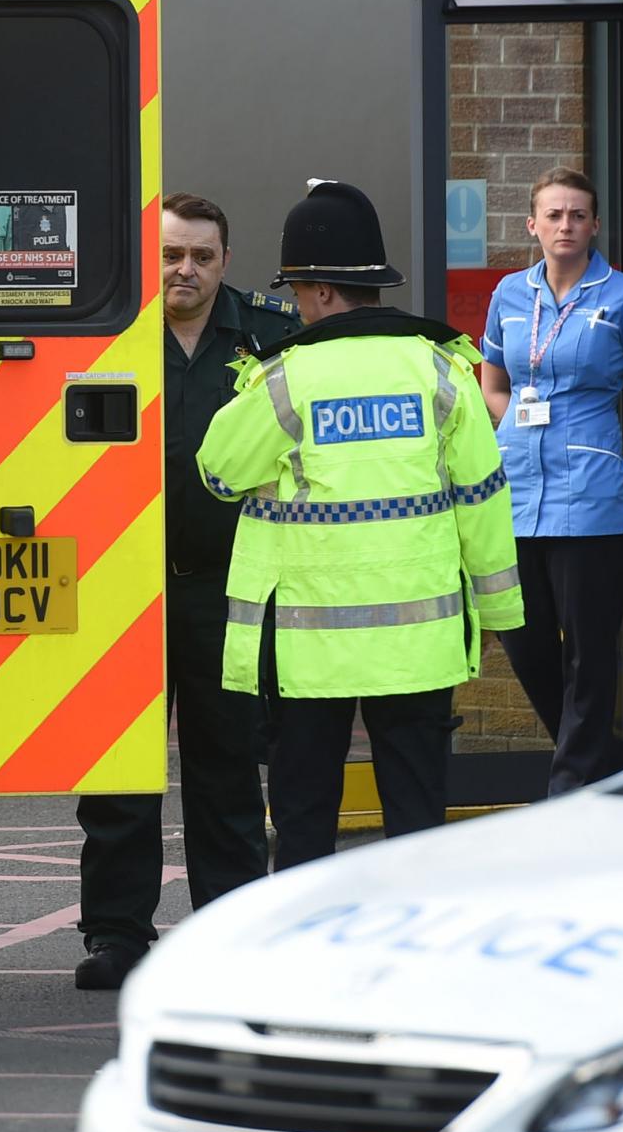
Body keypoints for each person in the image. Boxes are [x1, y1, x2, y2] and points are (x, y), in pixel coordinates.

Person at [195, 180, 524, 870]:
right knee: (415, 817)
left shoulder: (285, 378)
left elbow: (219, 470)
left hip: (310, 651)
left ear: (316, 290)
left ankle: (312, 961)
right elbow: (484, 498)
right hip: (420, 645)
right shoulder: (442, 368)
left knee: (307, 819)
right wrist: (494, 611)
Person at [73, 194, 295, 991]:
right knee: (119, 772)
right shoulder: (107, 330)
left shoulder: (270, 336)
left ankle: (228, 933)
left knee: (228, 768)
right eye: (171, 254)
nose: (185, 270)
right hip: (122, 590)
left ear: (226, 261)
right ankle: (116, 933)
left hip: (230, 588)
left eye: (201, 256)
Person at [478, 167, 623, 793]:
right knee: (527, 647)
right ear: (532, 225)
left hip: (592, 504)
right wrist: (518, 434)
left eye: (578, 216)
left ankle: (570, 790)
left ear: (593, 225)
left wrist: (616, 467)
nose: (566, 226)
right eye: (554, 215)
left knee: (589, 657)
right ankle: (611, 766)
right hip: (516, 496)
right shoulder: (510, 293)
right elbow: (491, 384)